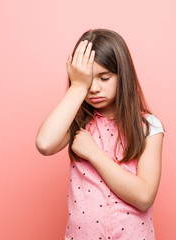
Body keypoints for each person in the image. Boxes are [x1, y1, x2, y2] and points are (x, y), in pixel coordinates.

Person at [35, 28, 165, 240]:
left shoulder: (148, 126)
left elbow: (144, 196)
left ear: (122, 75)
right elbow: (44, 143)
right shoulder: (79, 122)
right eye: (88, 80)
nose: (94, 88)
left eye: (104, 78)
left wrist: (94, 154)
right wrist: (77, 86)